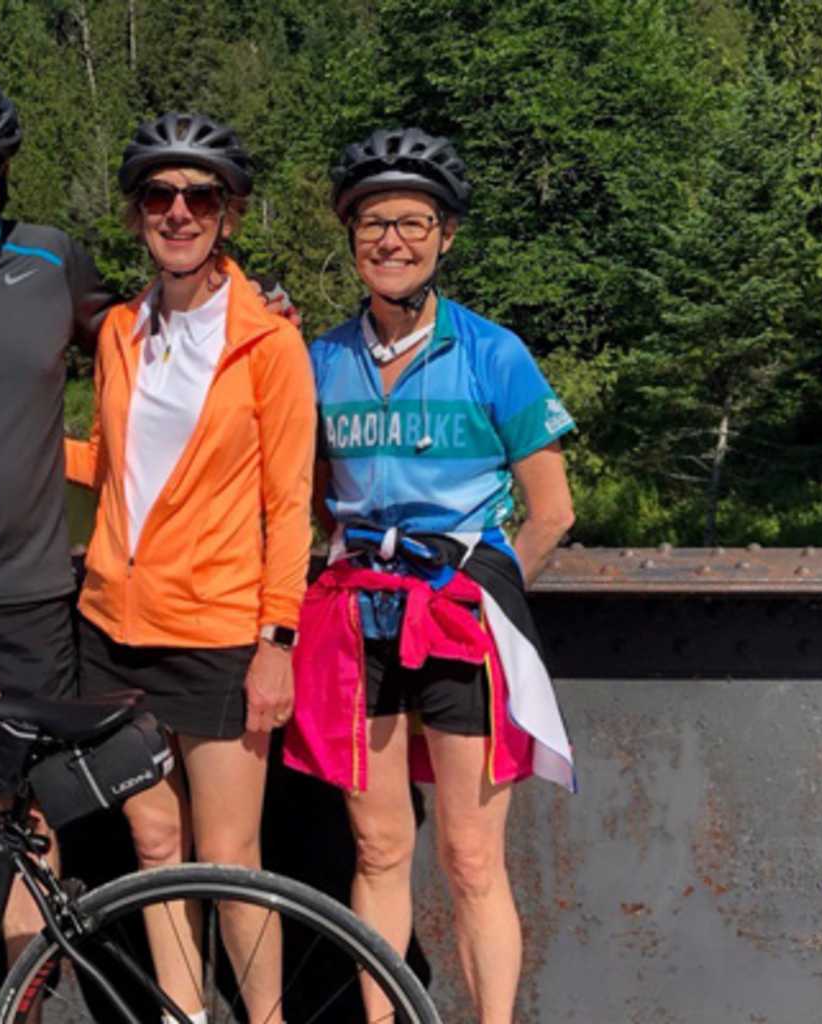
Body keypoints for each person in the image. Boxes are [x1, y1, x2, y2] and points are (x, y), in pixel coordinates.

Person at [283, 127, 579, 1024]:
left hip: (457, 621)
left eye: (412, 222)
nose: (392, 241)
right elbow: (315, 500)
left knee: (470, 857)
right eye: (373, 223)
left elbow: (552, 511)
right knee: (378, 851)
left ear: (445, 235)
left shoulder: (494, 353)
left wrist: (485, 597)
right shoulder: (321, 360)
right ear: (351, 236)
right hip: (358, 619)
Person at [64, 112, 315, 1023]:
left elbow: (290, 500)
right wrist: (6, 452)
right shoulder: (120, 333)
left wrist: (276, 639)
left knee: (231, 857)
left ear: (229, 214)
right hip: (113, 627)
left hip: (217, 631)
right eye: (158, 196)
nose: (178, 212)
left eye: (199, 197)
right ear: (136, 214)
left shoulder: (269, 342)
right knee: (154, 842)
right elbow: (116, 466)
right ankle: (184, 1015)